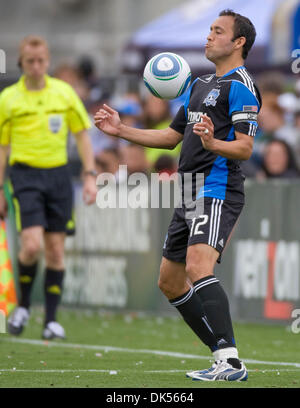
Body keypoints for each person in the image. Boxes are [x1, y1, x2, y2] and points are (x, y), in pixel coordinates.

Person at [94, 9, 261, 382]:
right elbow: (171, 137)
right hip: (187, 189)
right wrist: (121, 130)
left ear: (238, 43)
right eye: (209, 30)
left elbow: (246, 148)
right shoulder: (200, 85)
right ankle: (221, 354)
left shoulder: (242, 86)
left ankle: (232, 361)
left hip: (216, 187)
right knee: (169, 282)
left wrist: (212, 142)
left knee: (198, 267)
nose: (208, 37)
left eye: (217, 32)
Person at [0, 36, 98, 340]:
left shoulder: (64, 93)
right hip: (25, 176)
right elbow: (3, 147)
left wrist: (90, 174)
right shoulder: (8, 99)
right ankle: (25, 306)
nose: (37, 66)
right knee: (31, 245)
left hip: (57, 176)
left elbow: (82, 135)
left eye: (41, 60)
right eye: (30, 61)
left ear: (48, 60)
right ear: (21, 63)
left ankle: (52, 321)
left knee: (55, 250)